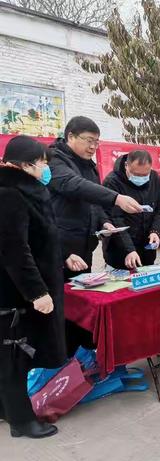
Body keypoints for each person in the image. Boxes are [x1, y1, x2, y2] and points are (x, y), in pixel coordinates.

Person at [0, 136, 67, 438]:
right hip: (14, 293)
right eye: (42, 163)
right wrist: (37, 292)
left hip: (22, 288)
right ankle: (22, 421)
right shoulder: (10, 193)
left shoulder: (26, 190)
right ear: (25, 164)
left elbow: (39, 240)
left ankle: (7, 410)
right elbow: (14, 249)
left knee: (12, 357)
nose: (45, 168)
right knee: (15, 357)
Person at [48, 116, 143, 279]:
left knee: (82, 296)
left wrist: (103, 222)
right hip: (59, 249)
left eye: (96, 142)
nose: (93, 147)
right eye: (89, 140)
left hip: (85, 248)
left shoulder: (89, 166)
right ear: (71, 137)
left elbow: (94, 201)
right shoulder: (54, 159)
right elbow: (74, 185)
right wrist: (117, 198)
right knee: (58, 298)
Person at [102, 150, 160, 269]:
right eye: (136, 174)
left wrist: (155, 231)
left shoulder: (154, 178)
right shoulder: (112, 182)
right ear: (126, 165)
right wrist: (129, 250)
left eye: (145, 175)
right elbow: (115, 219)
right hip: (120, 251)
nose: (141, 178)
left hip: (147, 250)